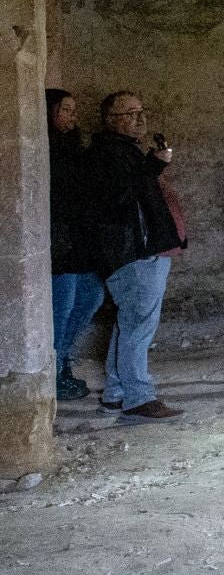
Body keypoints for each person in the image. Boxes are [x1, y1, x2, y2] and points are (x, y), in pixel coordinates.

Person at [90, 90, 184, 421]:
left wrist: (150, 165)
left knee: (130, 323)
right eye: (129, 114)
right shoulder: (107, 154)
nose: (139, 119)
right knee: (138, 325)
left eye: (141, 112)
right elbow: (118, 198)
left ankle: (117, 393)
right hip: (133, 252)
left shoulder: (124, 152)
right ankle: (138, 396)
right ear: (109, 120)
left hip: (137, 249)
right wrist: (152, 166)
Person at [46, 89, 105, 402]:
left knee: (90, 298)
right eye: (66, 110)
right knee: (61, 307)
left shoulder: (73, 147)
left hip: (80, 241)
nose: (72, 116)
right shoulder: (44, 148)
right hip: (58, 244)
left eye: (73, 110)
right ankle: (53, 373)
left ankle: (60, 359)